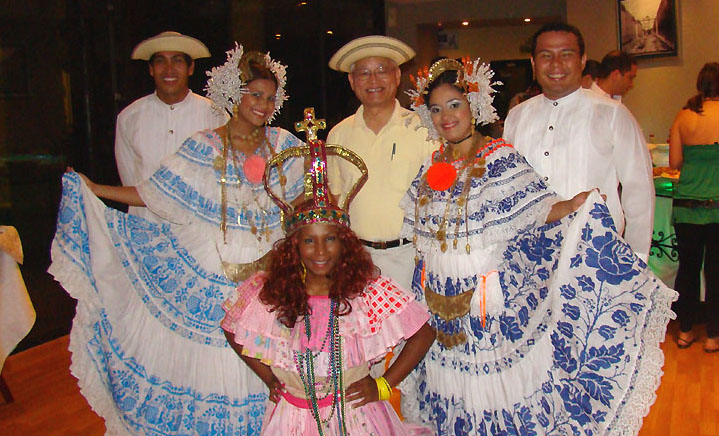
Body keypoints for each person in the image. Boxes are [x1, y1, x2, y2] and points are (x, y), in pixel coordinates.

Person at [400, 57, 677, 435]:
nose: (446, 116)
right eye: (436, 108)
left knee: (491, 390)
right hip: (438, 301)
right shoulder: (430, 166)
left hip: (485, 302)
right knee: (450, 387)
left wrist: (575, 207)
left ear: (474, 106)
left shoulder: (499, 157)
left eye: (454, 105)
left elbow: (537, 209)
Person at [50, 45, 305, 435]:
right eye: (255, 95)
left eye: (270, 98)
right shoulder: (202, 145)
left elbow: (305, 197)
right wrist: (95, 189)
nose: (264, 105)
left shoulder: (285, 145)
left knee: (266, 371)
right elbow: (153, 193)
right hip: (210, 277)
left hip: (268, 280)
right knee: (213, 371)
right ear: (234, 96)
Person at [221, 128, 435, 435]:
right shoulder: (272, 292)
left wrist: (384, 385)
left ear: (345, 242)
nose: (320, 251)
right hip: (293, 418)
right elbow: (232, 327)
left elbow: (423, 333)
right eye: (309, 241)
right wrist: (269, 378)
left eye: (330, 238)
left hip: (357, 418)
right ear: (294, 245)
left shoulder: (367, 291)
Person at [504, 22, 655, 261]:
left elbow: (639, 192)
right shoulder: (516, 117)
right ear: (533, 63)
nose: (556, 64)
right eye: (546, 55)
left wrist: (637, 259)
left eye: (566, 54)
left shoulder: (612, 114)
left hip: (595, 257)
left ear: (582, 60)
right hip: (527, 256)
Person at [326, 35, 437, 292]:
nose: (373, 80)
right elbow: (335, 198)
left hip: (412, 257)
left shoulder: (424, 128)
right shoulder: (338, 135)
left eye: (381, 71)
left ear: (397, 76)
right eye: (364, 73)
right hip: (358, 259)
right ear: (352, 81)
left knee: (415, 332)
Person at [115, 31, 227, 221]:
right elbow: (129, 180)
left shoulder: (215, 116)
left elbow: (223, 180)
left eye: (177, 61)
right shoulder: (129, 118)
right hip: (146, 228)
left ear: (190, 68)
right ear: (151, 69)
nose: (169, 69)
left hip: (199, 231)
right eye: (160, 61)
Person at [668, 62, 719, 353]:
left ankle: (685, 330)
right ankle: (713, 335)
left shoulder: (683, 116)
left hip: (687, 206)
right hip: (717, 206)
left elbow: (674, 163)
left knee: (687, 270)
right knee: (716, 272)